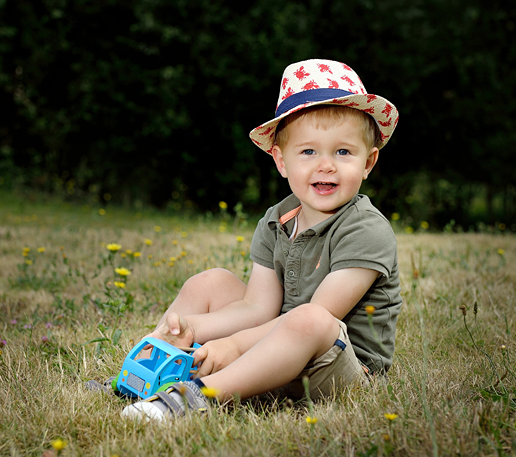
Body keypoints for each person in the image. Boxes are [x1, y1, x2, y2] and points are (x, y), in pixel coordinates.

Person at [121, 59, 402, 421]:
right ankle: (146, 372)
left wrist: (234, 345)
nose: (326, 165)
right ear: (281, 161)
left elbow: (321, 317)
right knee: (211, 282)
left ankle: (197, 397)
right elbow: (257, 308)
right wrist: (196, 329)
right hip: (273, 346)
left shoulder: (367, 230)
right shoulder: (276, 220)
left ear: (369, 162)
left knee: (310, 319)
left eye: (343, 152)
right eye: (308, 151)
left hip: (336, 368)